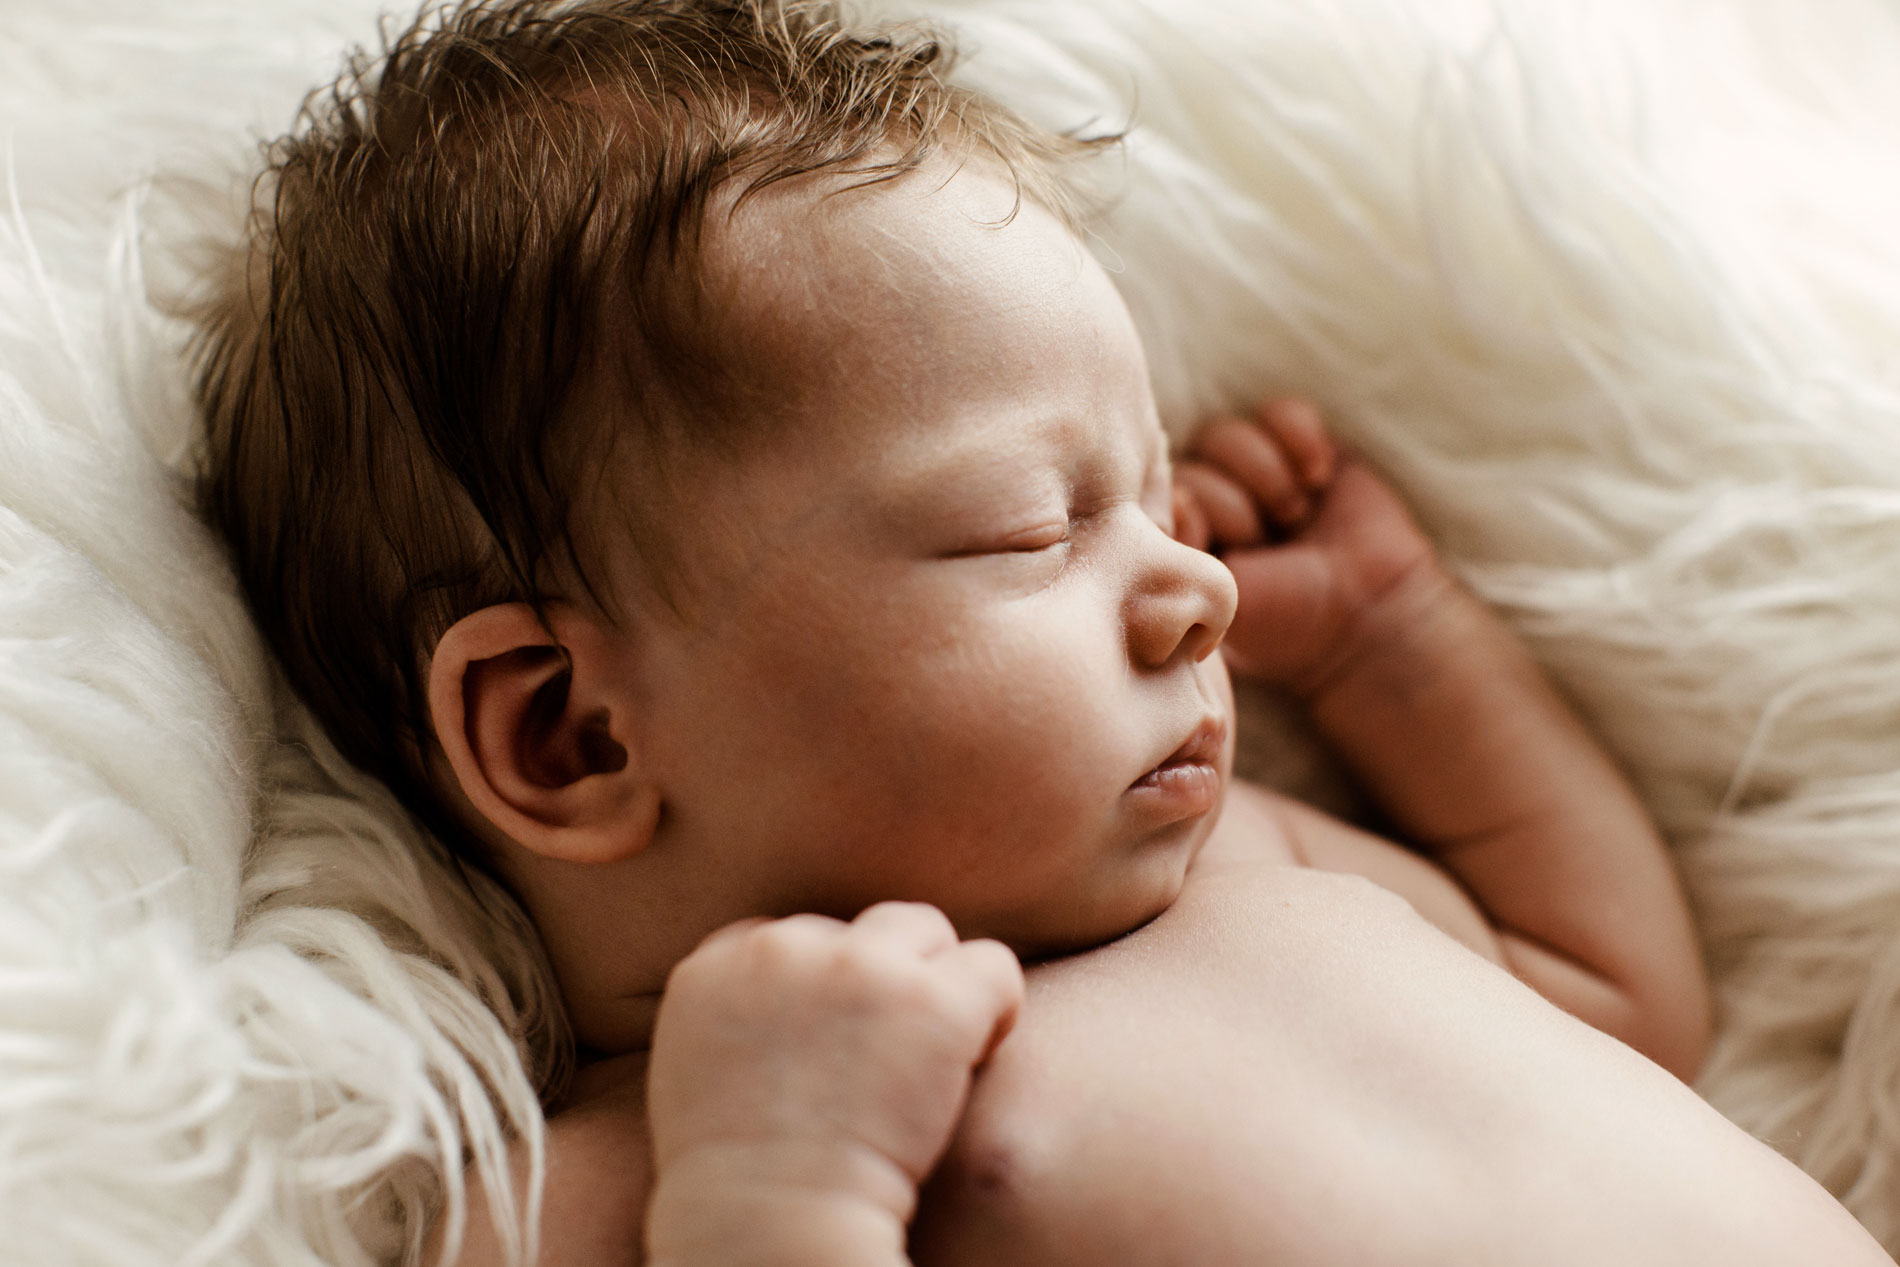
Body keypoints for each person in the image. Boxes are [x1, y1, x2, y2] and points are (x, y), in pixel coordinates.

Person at [188, 1, 1893, 1262]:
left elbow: (1622, 1006)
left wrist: (1398, 647)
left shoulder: (1251, 869)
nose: (1196, 587)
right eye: (1030, 526)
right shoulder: (603, 1187)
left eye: (1151, 496)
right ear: (571, 732)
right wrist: (782, 1195)